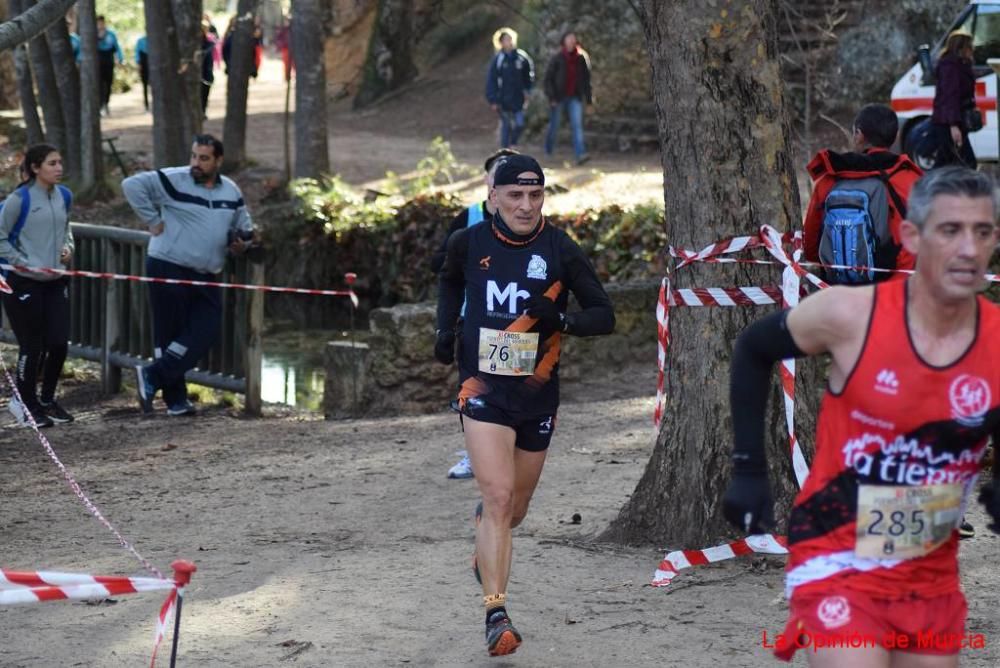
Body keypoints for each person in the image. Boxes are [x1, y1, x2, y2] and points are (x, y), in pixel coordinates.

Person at [723, 166, 1000, 667]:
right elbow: (753, 347)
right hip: (836, 547)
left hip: (928, 565)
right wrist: (748, 468)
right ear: (912, 236)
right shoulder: (851, 314)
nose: (967, 248)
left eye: (982, 232)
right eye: (950, 230)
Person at [435, 154, 615, 655]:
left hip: (537, 395)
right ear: (492, 197)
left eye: (535, 196)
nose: (526, 205)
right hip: (482, 390)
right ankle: (496, 614)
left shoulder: (560, 249)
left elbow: (604, 315)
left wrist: (561, 319)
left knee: (513, 508)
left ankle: (487, 547)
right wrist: (443, 328)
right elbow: (449, 280)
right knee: (497, 497)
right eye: (514, 195)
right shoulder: (467, 243)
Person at [121, 134, 254, 417]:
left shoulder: (230, 190)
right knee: (169, 334)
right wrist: (153, 220)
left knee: (206, 329)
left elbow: (245, 227)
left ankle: (152, 376)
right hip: (168, 264)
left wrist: (243, 245)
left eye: (204, 158)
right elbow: (131, 185)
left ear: (218, 160)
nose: (196, 163)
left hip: (207, 272)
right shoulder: (173, 179)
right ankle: (176, 400)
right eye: (194, 156)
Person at [432, 148, 519, 479]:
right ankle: (474, 455)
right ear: (488, 182)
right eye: (498, 174)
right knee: (471, 390)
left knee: (506, 389)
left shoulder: (528, 224)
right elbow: (439, 264)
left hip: (511, 321)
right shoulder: (467, 218)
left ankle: (504, 453)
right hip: (471, 322)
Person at [803, 104, 923, 282]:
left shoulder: (829, 179)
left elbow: (811, 249)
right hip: (893, 287)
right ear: (896, 136)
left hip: (836, 289)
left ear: (858, 134)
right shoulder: (909, 178)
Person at [0, 144, 75, 428]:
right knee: (32, 346)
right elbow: (1, 236)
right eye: (52, 163)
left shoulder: (64, 195)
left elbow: (67, 228)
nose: (59, 168)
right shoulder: (19, 200)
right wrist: (21, 262)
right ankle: (25, 403)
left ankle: (46, 399)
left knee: (58, 343)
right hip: (21, 282)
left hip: (55, 280)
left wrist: (68, 248)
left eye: (60, 162)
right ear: (34, 168)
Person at [543, 31, 592, 165]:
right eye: (568, 39)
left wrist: (589, 100)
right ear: (564, 41)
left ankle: (580, 154)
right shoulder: (557, 58)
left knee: (577, 126)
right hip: (558, 97)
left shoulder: (582, 58)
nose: (571, 41)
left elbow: (587, 81)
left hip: (575, 96)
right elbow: (548, 79)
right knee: (555, 125)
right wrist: (551, 97)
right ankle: (548, 150)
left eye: (573, 39)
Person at [931, 29, 978, 169]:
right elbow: (950, 97)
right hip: (949, 123)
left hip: (953, 121)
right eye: (969, 46)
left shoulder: (958, 65)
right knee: (966, 163)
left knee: (947, 163)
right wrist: (953, 125)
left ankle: (927, 188)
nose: (972, 49)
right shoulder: (951, 67)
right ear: (961, 48)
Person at [485, 28, 534, 149]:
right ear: (501, 42)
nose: (509, 42)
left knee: (519, 123)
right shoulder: (498, 60)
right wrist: (492, 100)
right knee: (506, 126)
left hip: (518, 98)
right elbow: (492, 80)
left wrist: (528, 91)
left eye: (510, 39)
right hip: (503, 99)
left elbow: (528, 76)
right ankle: (505, 150)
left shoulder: (522, 57)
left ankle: (513, 143)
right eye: (506, 40)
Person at [96, 15, 124, 116]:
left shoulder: (111, 34)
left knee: (108, 83)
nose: (100, 24)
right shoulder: (92, 34)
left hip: (108, 61)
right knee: (98, 84)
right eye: (98, 23)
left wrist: (120, 59)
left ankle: (106, 103)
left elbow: (117, 48)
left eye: (101, 22)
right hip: (97, 62)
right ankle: (99, 105)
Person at [200, 22, 217, 117]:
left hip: (207, 73)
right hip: (199, 74)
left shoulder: (209, 44)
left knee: (205, 95)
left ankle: (203, 111)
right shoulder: (194, 44)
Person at [135, 35, 149, 111]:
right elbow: (137, 54)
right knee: (145, 85)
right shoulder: (140, 41)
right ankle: (146, 104)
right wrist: (138, 65)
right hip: (144, 66)